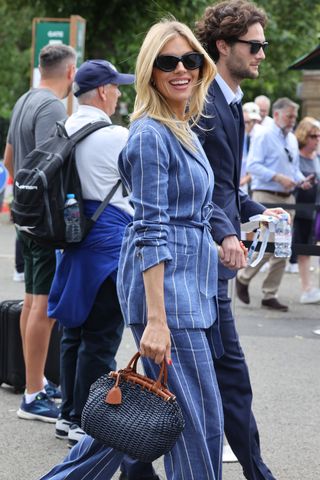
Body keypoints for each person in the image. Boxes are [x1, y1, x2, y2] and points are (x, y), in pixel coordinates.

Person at [39, 18, 225, 480]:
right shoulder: (148, 135)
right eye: (167, 62)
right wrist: (157, 320)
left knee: (132, 427)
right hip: (170, 298)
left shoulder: (181, 126)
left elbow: (187, 215)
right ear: (150, 72)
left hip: (190, 291)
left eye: (190, 60)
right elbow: (149, 229)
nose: (181, 69)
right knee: (197, 427)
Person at [195, 2, 286, 479]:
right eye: (254, 46)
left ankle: (134, 463)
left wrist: (255, 210)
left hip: (212, 265)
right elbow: (198, 185)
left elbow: (227, 185)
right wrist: (228, 230)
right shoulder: (206, 101)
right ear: (223, 45)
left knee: (191, 377)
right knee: (227, 377)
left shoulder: (227, 101)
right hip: (197, 264)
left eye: (263, 46)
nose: (262, 55)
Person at [48, 60, 135, 447]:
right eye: (116, 87)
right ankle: (88, 422)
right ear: (102, 90)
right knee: (101, 337)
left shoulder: (63, 128)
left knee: (73, 331)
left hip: (70, 238)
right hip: (108, 245)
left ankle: (68, 414)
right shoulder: (117, 135)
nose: (119, 93)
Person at [3, 44, 76, 422]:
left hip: (25, 213)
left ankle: (36, 384)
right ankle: (33, 394)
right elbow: (55, 162)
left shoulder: (24, 100)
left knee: (33, 302)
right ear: (70, 72)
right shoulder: (51, 107)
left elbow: (10, 160)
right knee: (43, 306)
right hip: (45, 219)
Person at [237, 97, 313, 312]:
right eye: (290, 116)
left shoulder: (289, 139)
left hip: (288, 198)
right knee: (268, 244)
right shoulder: (263, 135)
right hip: (267, 196)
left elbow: (293, 167)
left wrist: (300, 180)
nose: (293, 120)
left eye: (294, 116)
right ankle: (244, 277)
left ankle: (270, 294)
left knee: (282, 248)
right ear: (277, 114)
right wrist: (278, 177)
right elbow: (253, 166)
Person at [292, 117, 320, 303]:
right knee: (303, 249)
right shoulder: (296, 156)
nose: (317, 139)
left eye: (319, 135)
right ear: (304, 135)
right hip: (301, 209)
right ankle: (306, 288)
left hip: (317, 209)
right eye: (313, 135)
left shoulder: (318, 157)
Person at [241, 102, 263, 194]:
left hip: (253, 185)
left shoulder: (260, 135)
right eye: (248, 121)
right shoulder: (241, 135)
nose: (252, 124)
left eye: (255, 121)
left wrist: (246, 178)